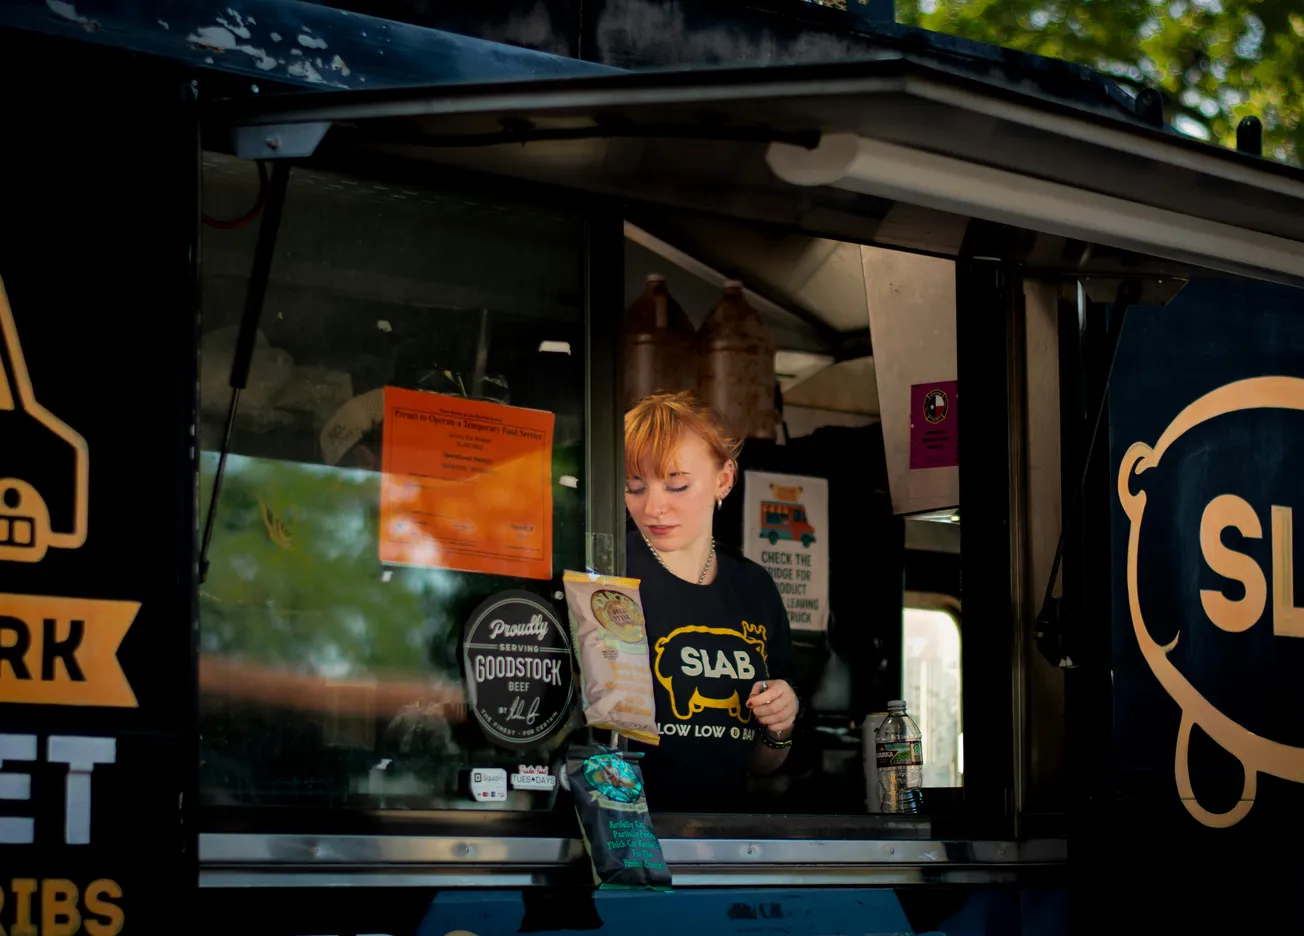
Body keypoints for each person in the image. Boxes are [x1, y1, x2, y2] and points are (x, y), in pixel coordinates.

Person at [623, 390, 798, 811]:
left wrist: (780, 725)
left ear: (724, 479)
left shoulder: (755, 590)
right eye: (635, 486)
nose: (654, 506)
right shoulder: (609, 571)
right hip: (628, 831)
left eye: (677, 484)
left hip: (724, 839)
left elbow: (761, 765)